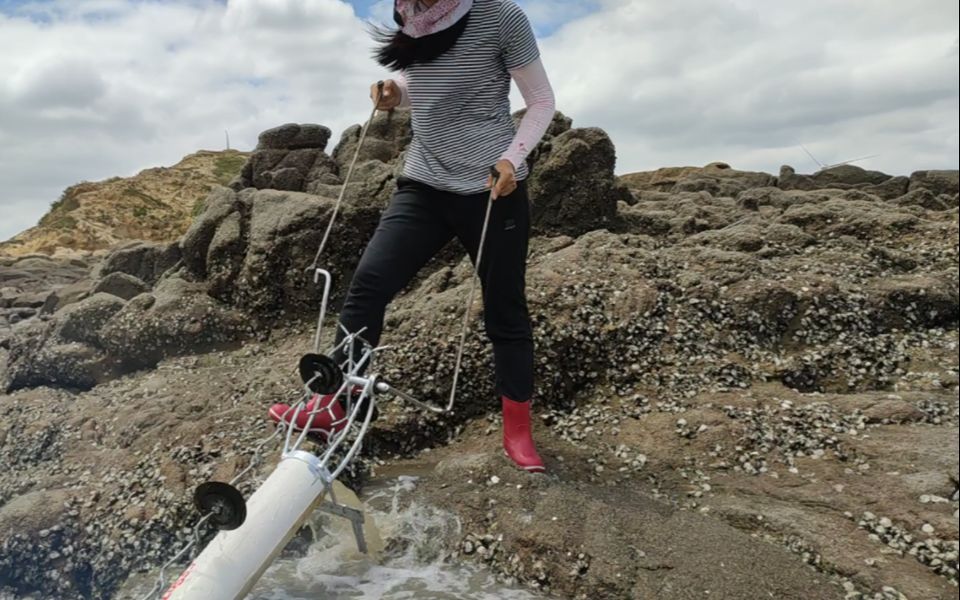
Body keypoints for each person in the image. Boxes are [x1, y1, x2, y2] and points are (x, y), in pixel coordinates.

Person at [270, 0, 556, 472]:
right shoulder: (411, 13)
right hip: (424, 181)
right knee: (368, 285)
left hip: (491, 185)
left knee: (505, 309)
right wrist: (394, 92)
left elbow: (541, 100)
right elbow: (423, 79)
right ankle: (338, 407)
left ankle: (518, 429)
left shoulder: (501, 16)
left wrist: (512, 158)